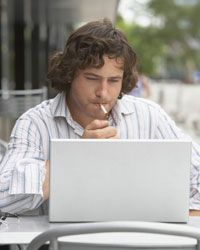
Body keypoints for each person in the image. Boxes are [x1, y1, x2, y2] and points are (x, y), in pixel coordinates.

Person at [0, 18, 200, 215]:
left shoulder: (149, 116)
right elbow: (4, 198)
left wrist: (186, 219)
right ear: (70, 74)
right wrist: (76, 156)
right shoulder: (35, 123)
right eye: (92, 78)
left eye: (113, 81)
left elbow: (196, 174)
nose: (103, 93)